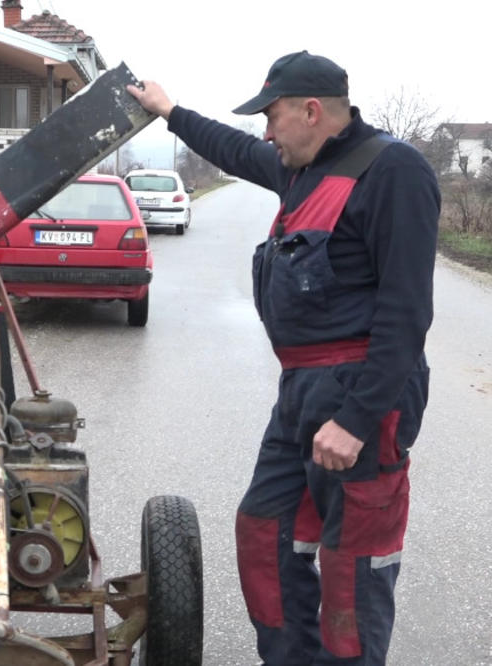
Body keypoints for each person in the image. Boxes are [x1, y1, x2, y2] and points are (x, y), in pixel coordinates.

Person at [128, 51, 438, 664]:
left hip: (362, 396)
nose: (265, 134)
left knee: (352, 560)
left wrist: (355, 421)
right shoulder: (302, 169)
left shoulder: (392, 172)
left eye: (271, 118)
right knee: (265, 530)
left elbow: (407, 316)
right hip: (299, 391)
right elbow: (235, 151)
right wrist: (171, 112)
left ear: (311, 110)